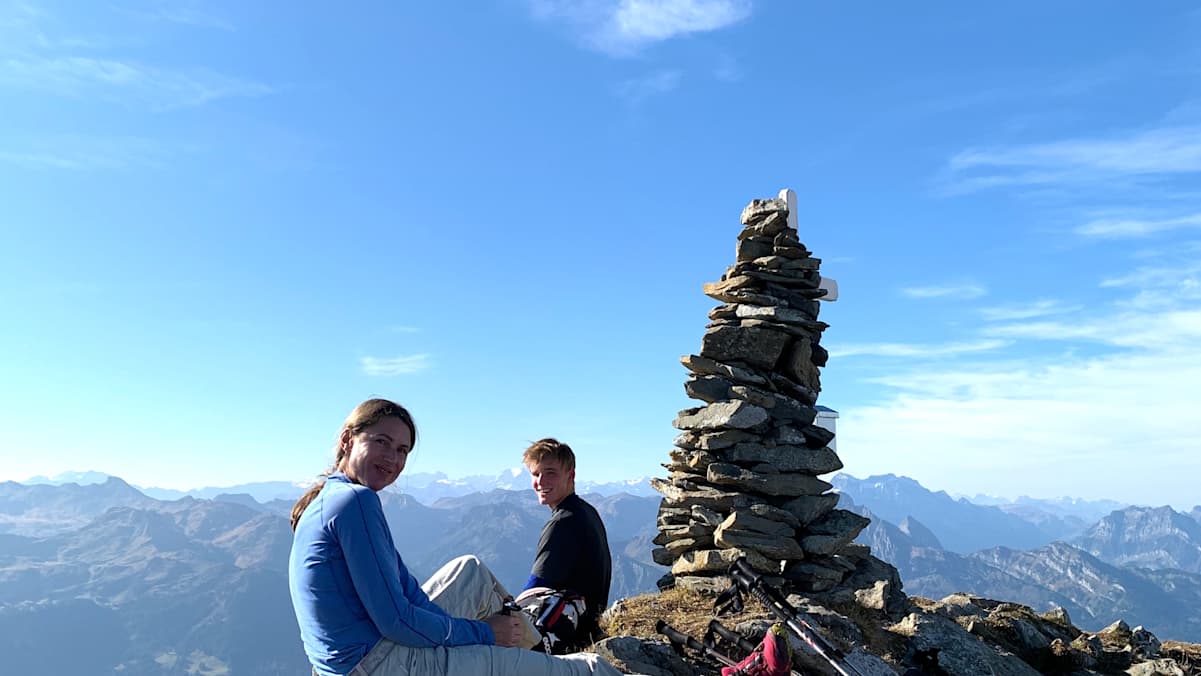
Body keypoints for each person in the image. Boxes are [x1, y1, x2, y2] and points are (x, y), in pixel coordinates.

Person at [288, 398, 625, 676]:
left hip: (355, 661)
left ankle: (531, 655)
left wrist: (461, 633)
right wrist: (484, 633)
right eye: (382, 442)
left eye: (402, 450)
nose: (393, 458)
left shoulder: (330, 499)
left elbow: (406, 594)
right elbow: (397, 620)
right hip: (382, 664)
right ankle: (543, 661)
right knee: (592, 669)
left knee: (471, 570)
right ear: (348, 440)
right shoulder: (357, 502)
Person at [519, 438, 613, 652]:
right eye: (535, 474)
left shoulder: (563, 522)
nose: (541, 481)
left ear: (570, 475)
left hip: (563, 633)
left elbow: (534, 590)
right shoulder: (586, 511)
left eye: (550, 472)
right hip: (584, 625)